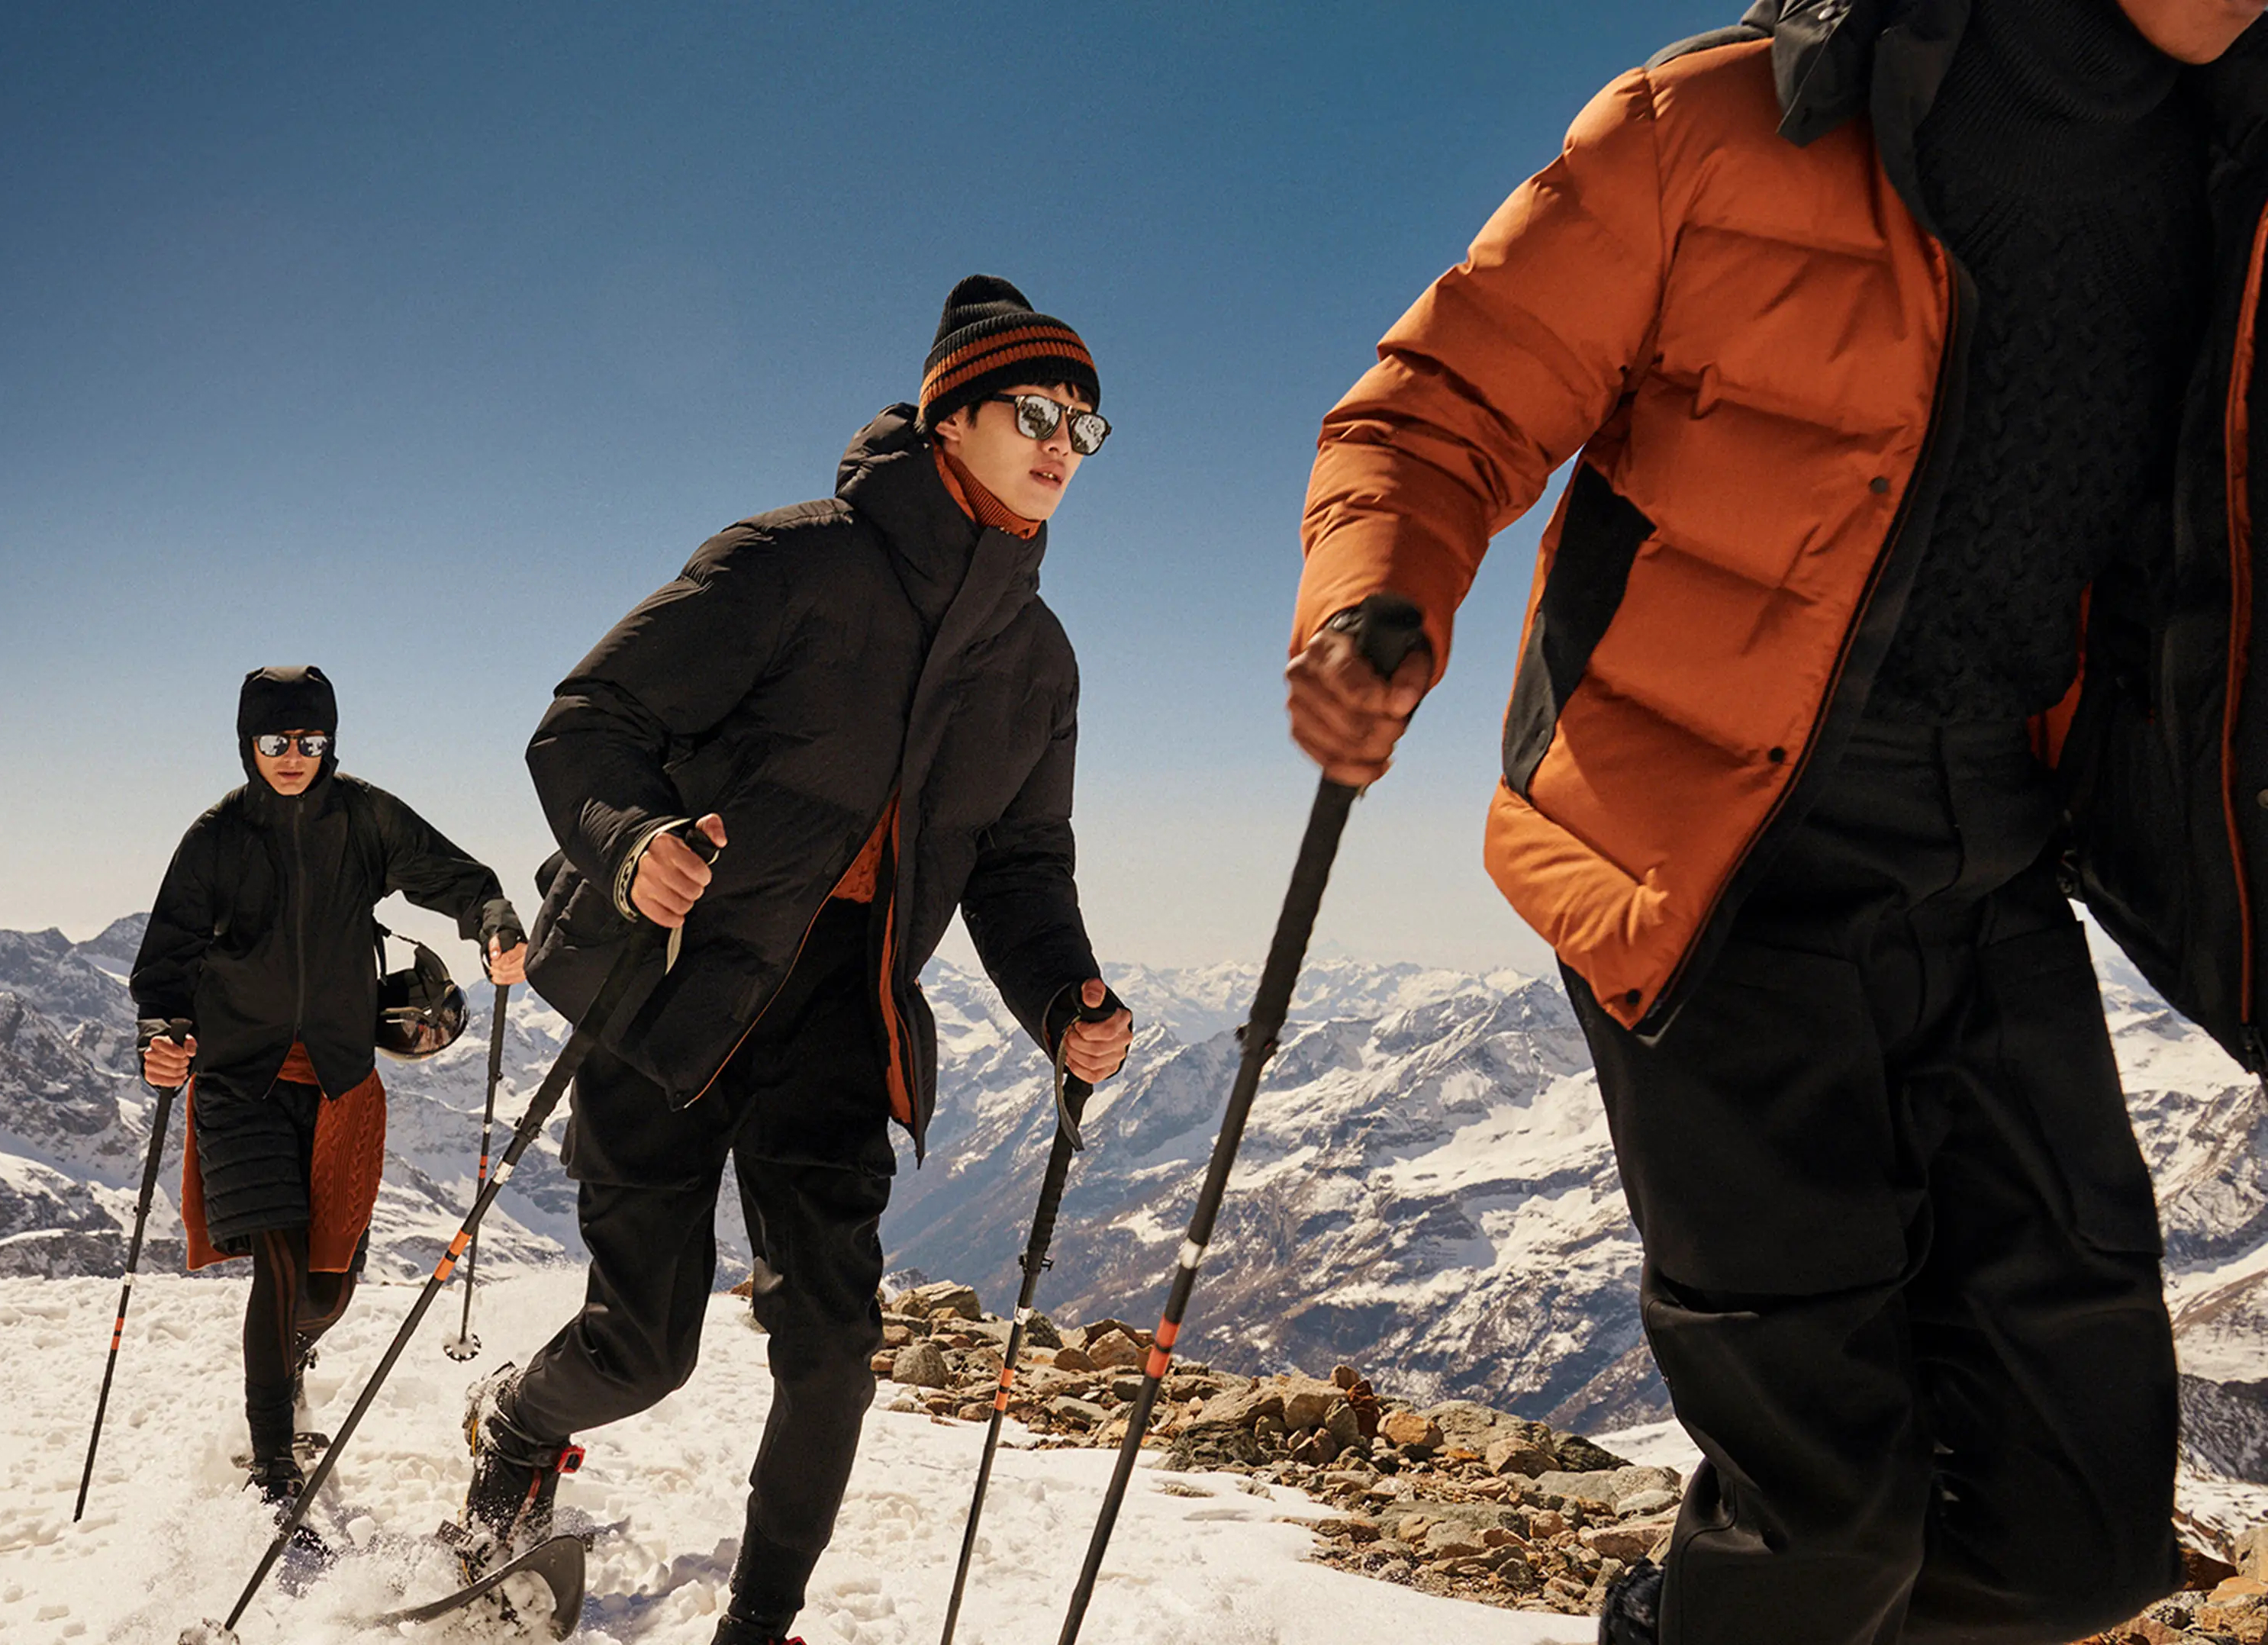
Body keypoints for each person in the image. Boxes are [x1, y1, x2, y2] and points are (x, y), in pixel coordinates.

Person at [1286, 2, 2268, 1640]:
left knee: (2081, 1540)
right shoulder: (1732, 114)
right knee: (1826, 1525)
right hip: (1709, 871)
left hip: (2000, 861)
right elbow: (1430, 409)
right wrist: (1371, 602)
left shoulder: (2239, 171)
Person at [453, 275, 1138, 1645]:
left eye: (1090, 425)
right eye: (1036, 411)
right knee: (646, 1347)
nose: (1065, 443)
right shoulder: (788, 562)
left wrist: (1065, 995)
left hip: (843, 1007)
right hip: (677, 980)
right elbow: (583, 722)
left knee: (832, 1349)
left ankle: (760, 1624)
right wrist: (633, 836)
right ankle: (523, 1429)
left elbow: (1017, 868)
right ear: (951, 417)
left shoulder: (1038, 661)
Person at [130, 665, 528, 1503]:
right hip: (241, 1077)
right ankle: (275, 1465)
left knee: (325, 1284)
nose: (291, 756)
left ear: (329, 741)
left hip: (340, 1079)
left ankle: (292, 1354)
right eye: (274, 740)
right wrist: (163, 1035)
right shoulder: (217, 837)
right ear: (248, 743)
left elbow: (455, 875)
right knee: (276, 1264)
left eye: (309, 739)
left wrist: (492, 919)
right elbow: (165, 961)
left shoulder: (364, 816)